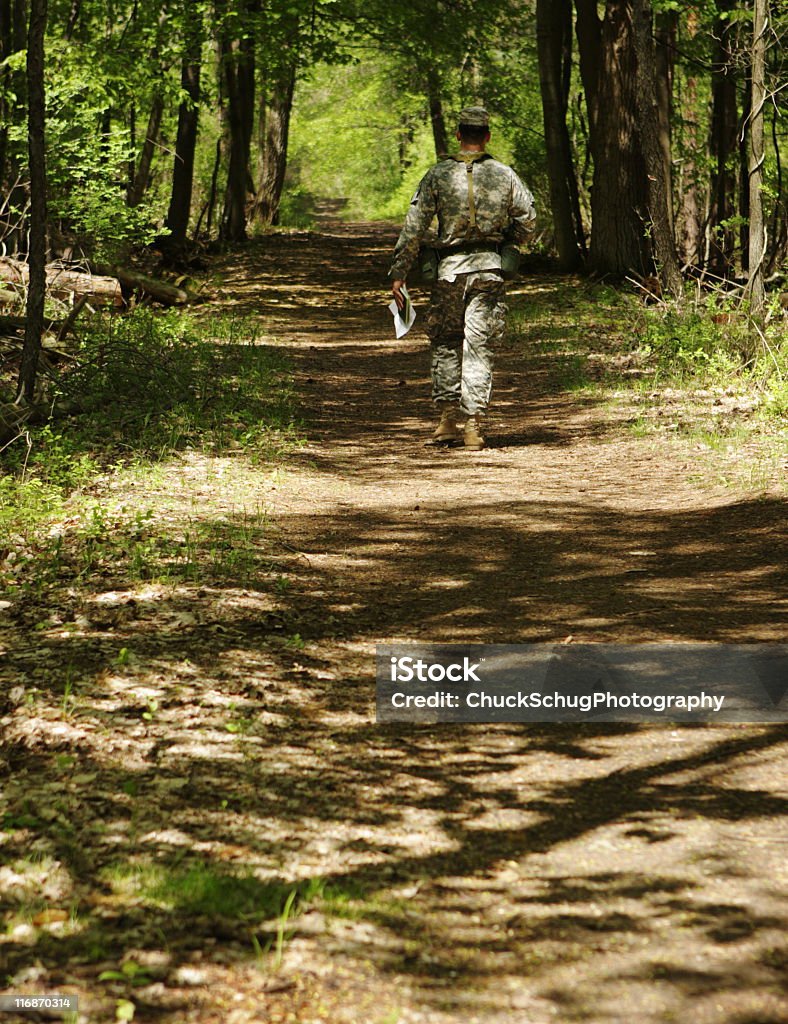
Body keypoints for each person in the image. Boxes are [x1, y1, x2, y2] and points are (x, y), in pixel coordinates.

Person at [389, 107, 536, 450]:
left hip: (448, 273)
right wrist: (509, 240)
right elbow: (528, 219)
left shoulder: (437, 175)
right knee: (479, 346)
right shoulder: (504, 174)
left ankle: (446, 422)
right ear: (486, 135)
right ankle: (473, 426)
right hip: (489, 269)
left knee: (445, 341)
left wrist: (399, 272)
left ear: (458, 135)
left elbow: (413, 228)